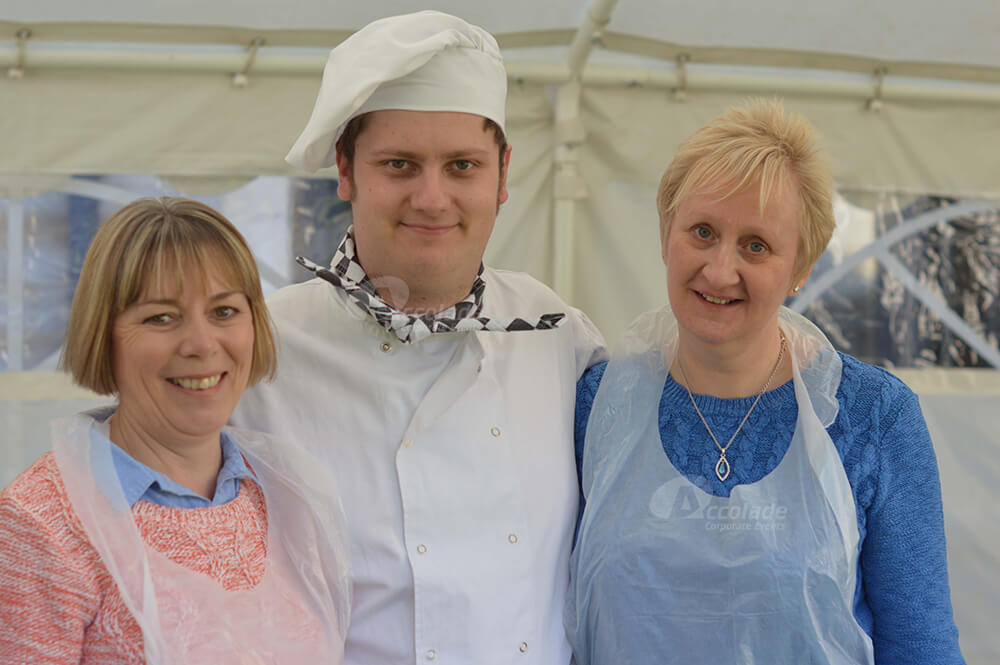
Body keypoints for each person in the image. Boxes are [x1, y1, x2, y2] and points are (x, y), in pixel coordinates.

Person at [230, 10, 606, 665]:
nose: (432, 199)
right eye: (400, 165)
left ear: (502, 174)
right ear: (346, 171)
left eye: (462, 166)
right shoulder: (262, 347)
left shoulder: (557, 335)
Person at [566, 100, 965, 664]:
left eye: (756, 246)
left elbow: (920, 646)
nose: (720, 269)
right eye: (702, 232)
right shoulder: (595, 403)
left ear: (801, 267)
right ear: (665, 234)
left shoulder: (872, 416)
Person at [0, 198, 350, 664]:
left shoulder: (286, 493)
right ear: (103, 335)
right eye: (160, 317)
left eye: (224, 311)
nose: (202, 345)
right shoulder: (39, 524)